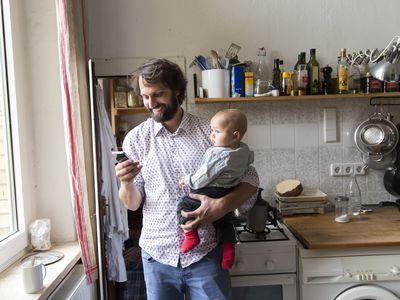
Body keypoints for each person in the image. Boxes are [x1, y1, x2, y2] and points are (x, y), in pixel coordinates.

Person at [115, 58, 259, 300]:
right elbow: (132, 203)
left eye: (158, 94)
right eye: (145, 96)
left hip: (205, 254)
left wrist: (221, 205)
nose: (151, 103)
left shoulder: (210, 133)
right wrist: (126, 183)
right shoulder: (136, 139)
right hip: (156, 255)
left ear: (177, 90)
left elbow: (251, 176)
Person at [178, 109, 254, 271]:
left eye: (217, 132)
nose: (211, 135)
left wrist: (188, 180)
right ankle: (228, 248)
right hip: (228, 190)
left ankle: (190, 235)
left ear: (235, 135)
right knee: (224, 221)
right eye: (212, 131)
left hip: (212, 190)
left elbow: (203, 176)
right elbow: (248, 165)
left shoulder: (219, 155)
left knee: (184, 204)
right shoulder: (243, 150)